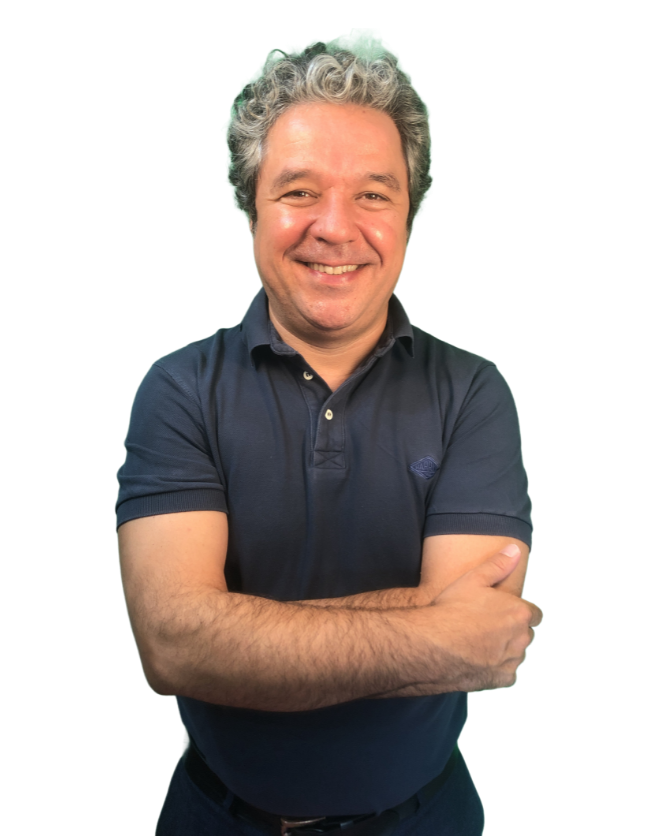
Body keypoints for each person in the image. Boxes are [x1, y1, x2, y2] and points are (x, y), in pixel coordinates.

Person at [115, 30, 542, 836]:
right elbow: (174, 646)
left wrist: (242, 624)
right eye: (300, 191)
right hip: (212, 819)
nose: (335, 228)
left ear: (410, 215)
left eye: (373, 195)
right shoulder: (177, 388)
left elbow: (485, 635)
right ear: (250, 206)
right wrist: (431, 628)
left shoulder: (474, 391)